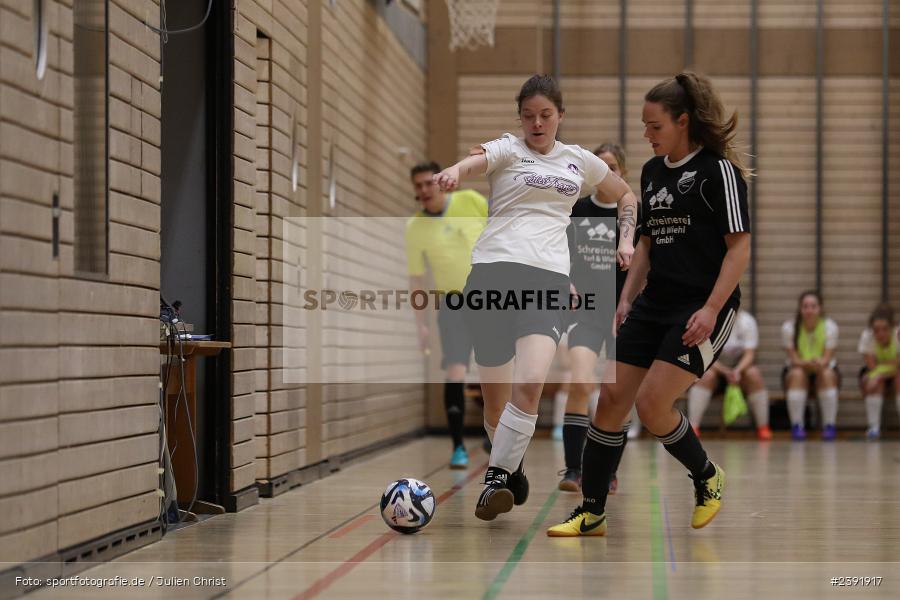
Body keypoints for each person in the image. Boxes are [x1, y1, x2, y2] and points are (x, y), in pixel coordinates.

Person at [548, 71, 751, 537]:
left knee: (653, 402)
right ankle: (592, 510)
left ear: (683, 122)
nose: (646, 134)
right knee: (612, 398)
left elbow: (739, 248)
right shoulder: (652, 172)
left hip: (702, 305)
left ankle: (707, 477)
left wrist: (711, 310)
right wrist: (626, 298)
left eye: (654, 126)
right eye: (644, 125)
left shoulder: (716, 171)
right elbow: (646, 244)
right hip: (654, 301)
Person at [433, 74, 638, 521]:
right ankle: (512, 466)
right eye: (529, 116)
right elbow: (475, 162)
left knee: (530, 385)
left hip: (546, 282)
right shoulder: (509, 148)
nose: (537, 123)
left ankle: (496, 477)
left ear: (561, 116)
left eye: (546, 115)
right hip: (490, 278)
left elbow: (626, 196)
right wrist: (453, 171)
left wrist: (626, 239)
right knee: (495, 402)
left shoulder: (579, 161)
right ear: (520, 118)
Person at [558, 142, 635, 494]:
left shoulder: (634, 216)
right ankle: (573, 470)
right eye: (601, 166)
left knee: (620, 398)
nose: (607, 173)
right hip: (585, 313)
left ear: (622, 173)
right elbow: (559, 257)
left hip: (623, 317)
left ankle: (610, 472)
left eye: (613, 167)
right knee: (580, 382)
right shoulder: (577, 210)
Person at [405, 162, 488, 468]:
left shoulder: (472, 202)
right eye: (418, 186)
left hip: (489, 298)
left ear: (441, 183)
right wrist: (421, 325)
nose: (424, 190)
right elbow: (416, 279)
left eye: (429, 183)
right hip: (452, 304)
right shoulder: (415, 228)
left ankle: (496, 435)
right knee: (455, 370)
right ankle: (458, 448)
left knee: (494, 369)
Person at [687, 309, 772, 440]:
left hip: (739, 372)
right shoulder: (708, 320)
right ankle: (693, 427)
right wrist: (725, 371)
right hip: (714, 369)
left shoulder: (747, 321)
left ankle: (763, 427)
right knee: (706, 376)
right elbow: (705, 355)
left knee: (754, 373)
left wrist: (737, 370)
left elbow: (750, 354)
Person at [781, 290, 840, 441]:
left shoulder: (830, 327)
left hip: (823, 369)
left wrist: (818, 363)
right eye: (805, 306)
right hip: (798, 369)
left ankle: (829, 425)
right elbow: (794, 359)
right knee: (797, 374)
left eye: (813, 306)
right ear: (800, 309)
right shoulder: (789, 328)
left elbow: (826, 359)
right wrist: (806, 363)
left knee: (826, 374)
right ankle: (797, 426)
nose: (809, 310)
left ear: (820, 308)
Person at [858, 304, 900, 440]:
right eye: (876, 330)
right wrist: (881, 373)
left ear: (892, 328)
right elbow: (872, 367)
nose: (880, 334)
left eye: (885, 329)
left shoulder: (898, 336)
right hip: (878, 373)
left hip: (894, 374)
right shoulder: (867, 337)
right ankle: (873, 427)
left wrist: (881, 374)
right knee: (872, 382)